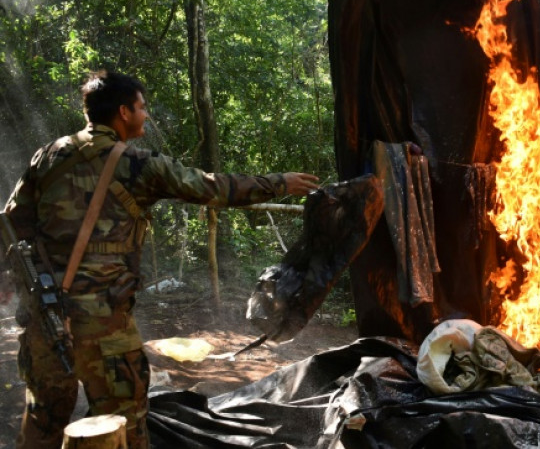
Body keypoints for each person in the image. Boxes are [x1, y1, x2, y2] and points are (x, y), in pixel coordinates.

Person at [2, 70, 321, 449]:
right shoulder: (137, 164)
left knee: (42, 421)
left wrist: (13, 282)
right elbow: (211, 187)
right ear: (123, 112)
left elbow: (11, 223)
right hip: (105, 326)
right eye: (141, 107)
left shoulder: (49, 154)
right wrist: (279, 182)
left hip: (47, 317)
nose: (146, 115)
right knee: (124, 419)